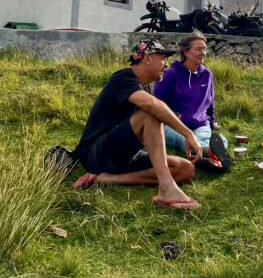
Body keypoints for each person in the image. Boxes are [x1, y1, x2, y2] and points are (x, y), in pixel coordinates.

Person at [73, 39, 201, 211]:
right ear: (147, 58)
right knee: (150, 113)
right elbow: (151, 106)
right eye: (163, 58)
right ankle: (167, 189)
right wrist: (187, 133)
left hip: (125, 155)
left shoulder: (144, 87)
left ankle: (106, 179)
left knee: (185, 169)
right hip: (96, 154)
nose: (166, 64)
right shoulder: (123, 77)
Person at [153, 32, 231, 171]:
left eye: (204, 49)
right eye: (198, 49)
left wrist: (212, 122)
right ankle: (211, 155)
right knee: (187, 141)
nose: (203, 52)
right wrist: (176, 116)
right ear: (186, 52)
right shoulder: (171, 74)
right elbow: (156, 103)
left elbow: (210, 102)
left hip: (199, 124)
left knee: (222, 140)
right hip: (173, 124)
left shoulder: (207, 75)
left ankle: (205, 158)